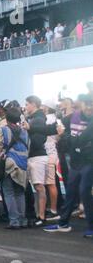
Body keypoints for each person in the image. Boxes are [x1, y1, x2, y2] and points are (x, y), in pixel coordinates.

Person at [44, 95, 93, 237]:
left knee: (85, 192)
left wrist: (64, 134)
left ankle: (91, 226)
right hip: (76, 162)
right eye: (87, 104)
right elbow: (52, 129)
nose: (89, 107)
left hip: (90, 161)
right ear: (81, 104)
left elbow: (79, 140)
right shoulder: (73, 117)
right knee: (71, 192)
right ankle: (63, 223)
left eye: (92, 104)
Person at [23, 96, 60, 226]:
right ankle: (40, 215)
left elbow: (39, 139)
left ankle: (41, 216)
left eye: (27, 104)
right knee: (38, 187)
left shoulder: (37, 119)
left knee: (39, 187)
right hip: (35, 156)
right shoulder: (35, 119)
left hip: (37, 156)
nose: (26, 107)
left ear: (33, 104)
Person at [0, 107, 29, 229]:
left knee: (9, 193)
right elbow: (28, 147)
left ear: (6, 118)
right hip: (23, 164)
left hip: (10, 164)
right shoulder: (25, 132)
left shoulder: (3, 130)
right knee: (19, 193)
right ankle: (22, 220)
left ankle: (14, 221)